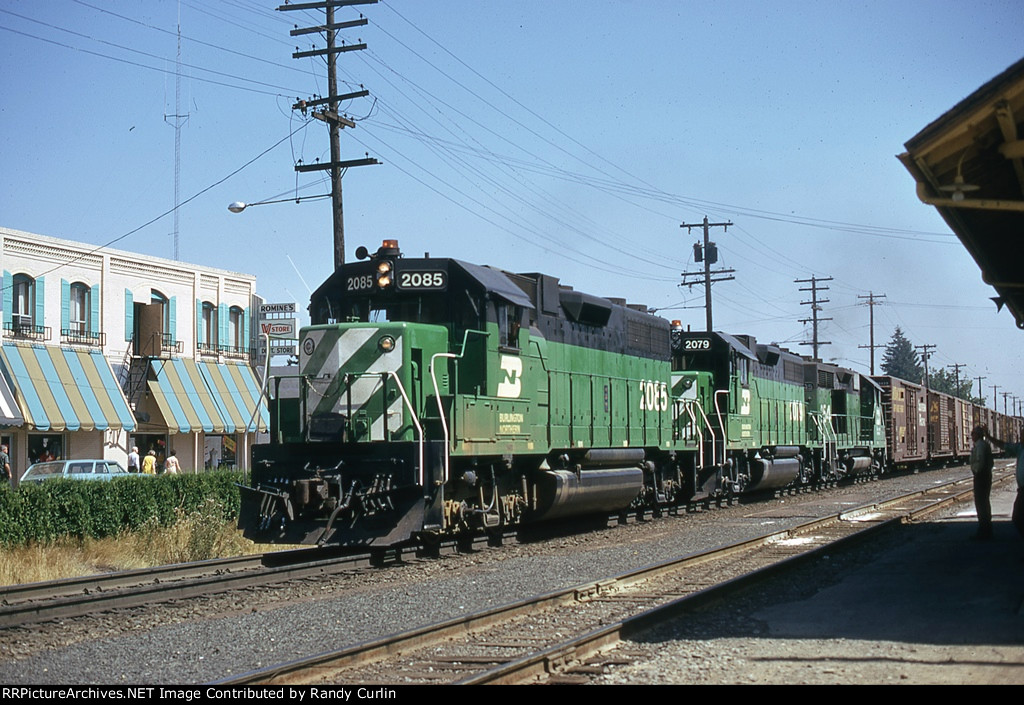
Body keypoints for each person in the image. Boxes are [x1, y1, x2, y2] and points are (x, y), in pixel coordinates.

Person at [991, 431, 1024, 540]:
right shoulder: (1020, 448)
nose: (1021, 438)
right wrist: (989, 437)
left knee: (1018, 517)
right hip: (1022, 491)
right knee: (1017, 518)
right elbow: (1004, 445)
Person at [969, 425, 994, 540]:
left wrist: (976, 470)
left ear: (977, 435)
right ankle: (986, 528)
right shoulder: (984, 445)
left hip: (981, 476)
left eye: (973, 433)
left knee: (981, 503)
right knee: (984, 502)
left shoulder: (980, 446)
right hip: (985, 475)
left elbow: (980, 461)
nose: (971, 435)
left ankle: (984, 529)